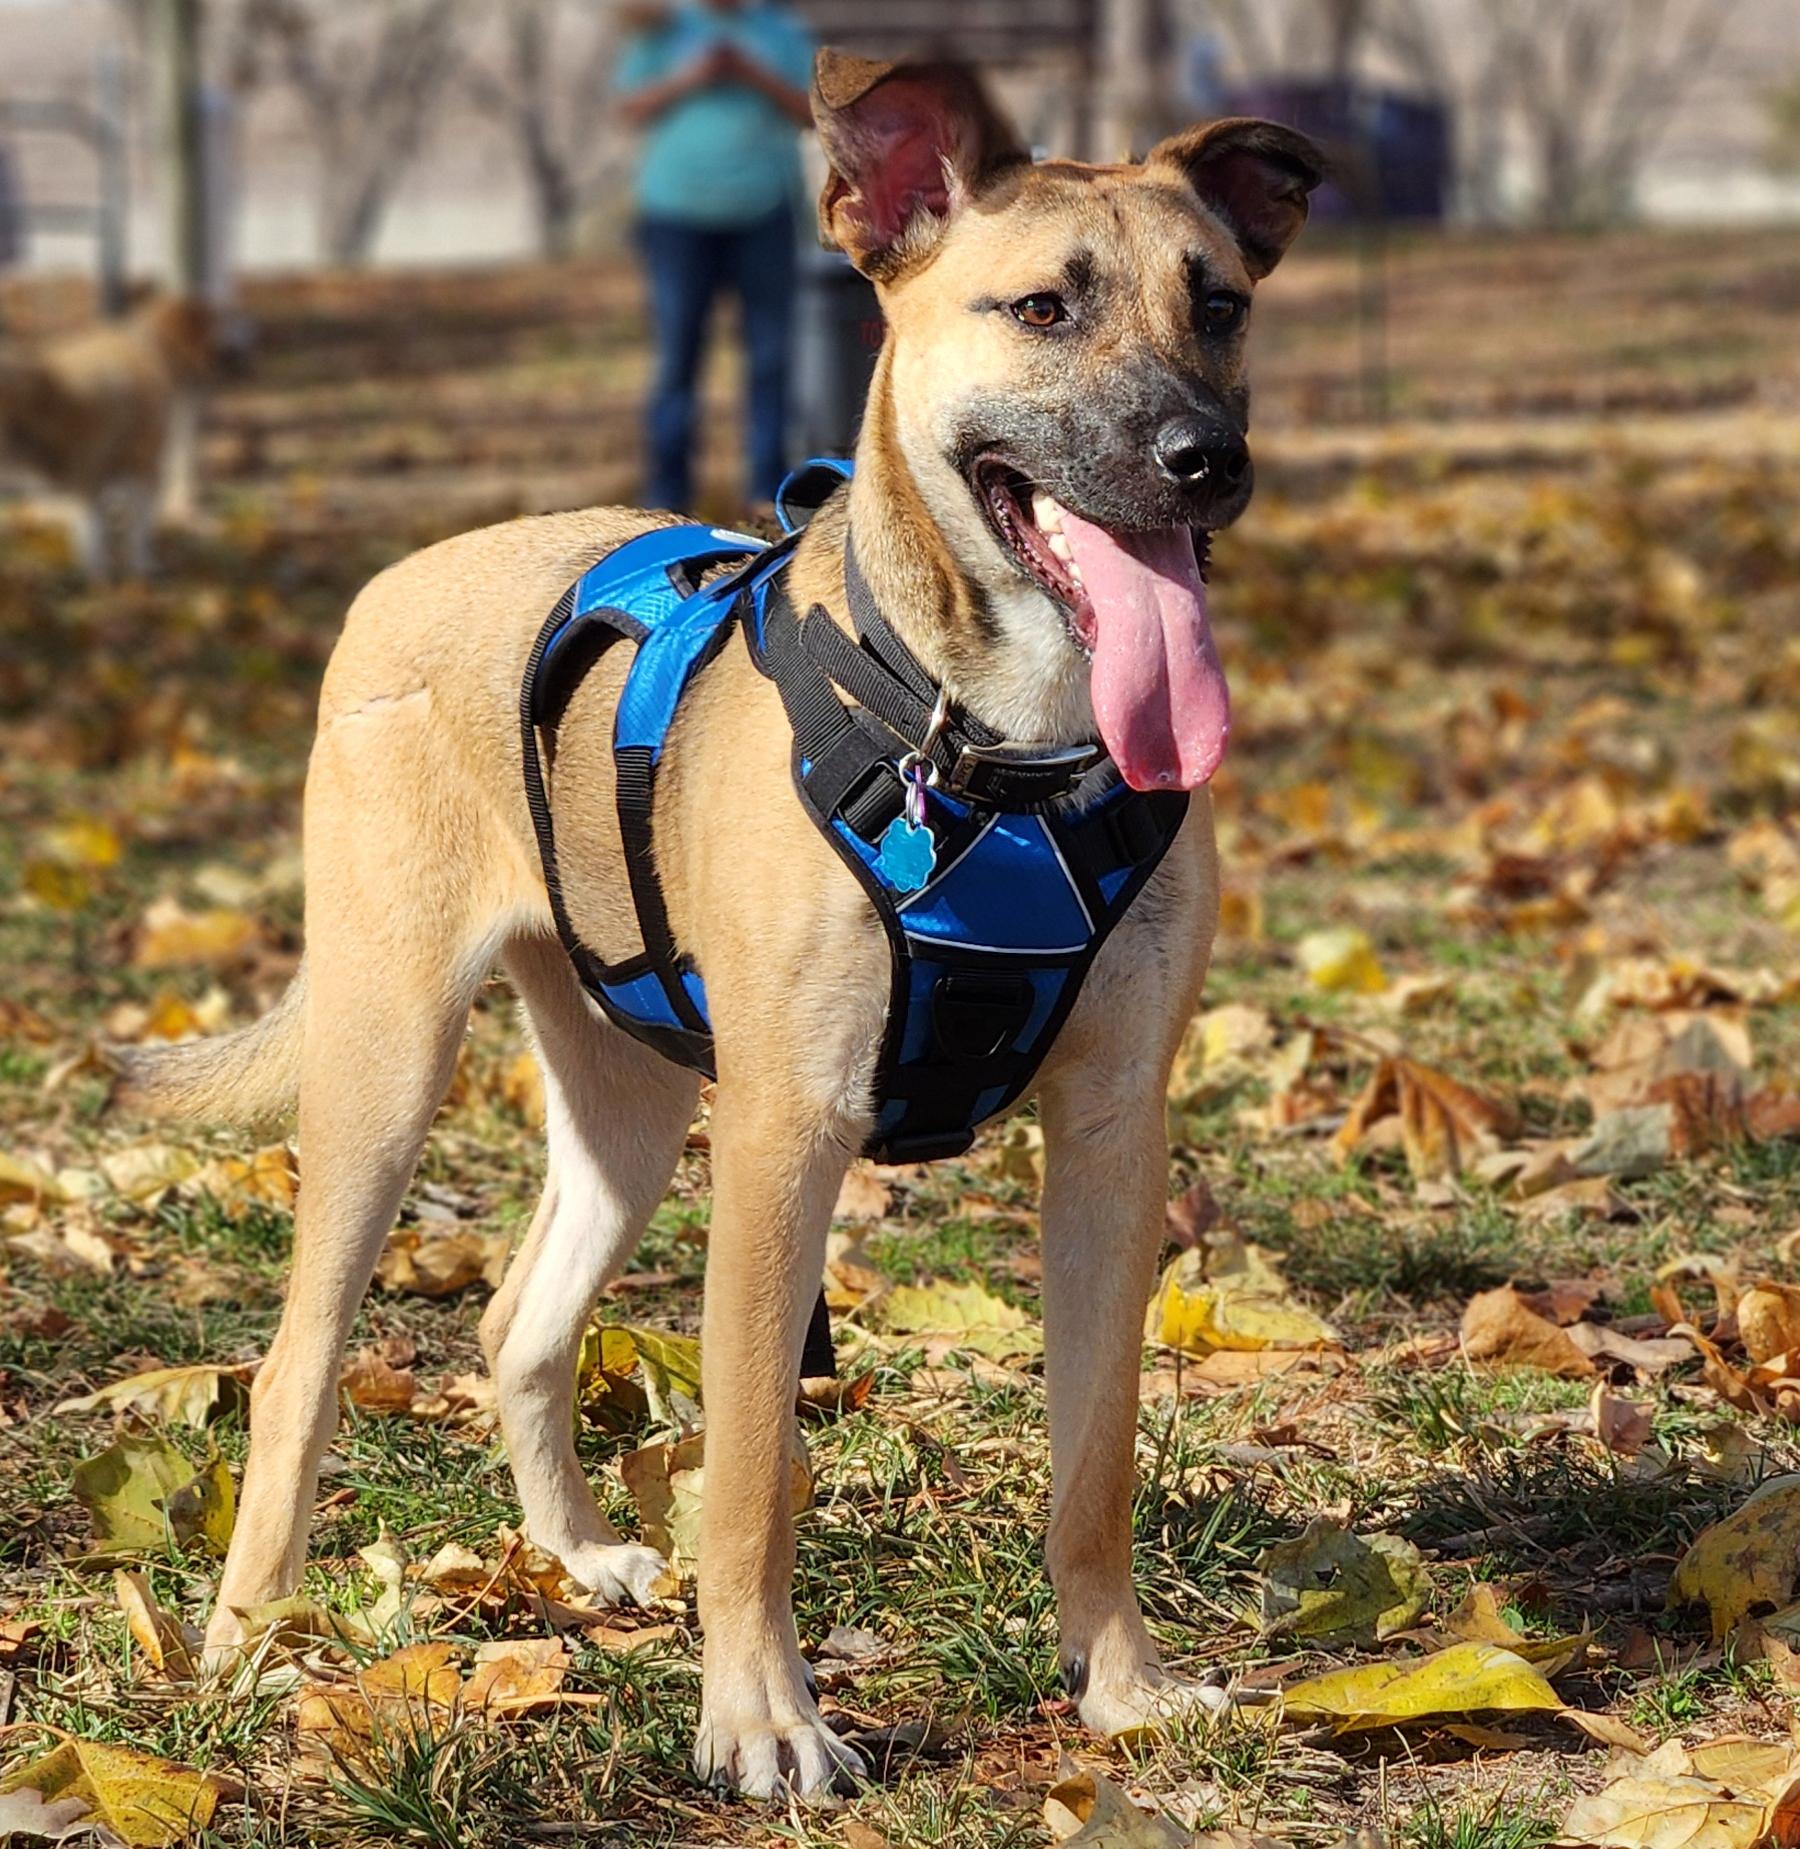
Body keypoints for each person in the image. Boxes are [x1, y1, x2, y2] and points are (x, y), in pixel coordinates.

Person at [615, 1, 816, 516]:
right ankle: (666, 494)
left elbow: (813, 111)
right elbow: (629, 109)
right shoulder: (661, 26)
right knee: (678, 355)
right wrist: (691, 78)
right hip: (676, 215)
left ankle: (767, 490)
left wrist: (752, 74)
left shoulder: (778, 28)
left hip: (765, 211)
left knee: (772, 356)